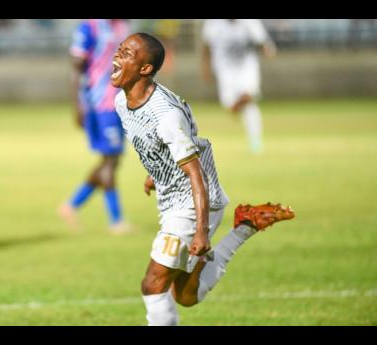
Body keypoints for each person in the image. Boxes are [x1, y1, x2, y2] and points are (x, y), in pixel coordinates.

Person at [111, 33, 294, 325]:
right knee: (185, 295)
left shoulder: (166, 115)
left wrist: (201, 232)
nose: (117, 57)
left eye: (127, 54)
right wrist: (154, 172)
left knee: (153, 283)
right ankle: (246, 226)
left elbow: (195, 172)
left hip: (193, 204)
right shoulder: (123, 102)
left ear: (145, 69)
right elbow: (164, 142)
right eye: (119, 50)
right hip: (173, 200)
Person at [59, 19, 131, 234]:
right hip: (100, 103)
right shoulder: (89, 27)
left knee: (113, 160)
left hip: (120, 102)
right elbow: (76, 67)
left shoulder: (122, 26)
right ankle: (116, 220)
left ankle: (71, 205)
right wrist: (78, 104)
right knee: (110, 160)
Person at [201, 19, 277, 154]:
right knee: (230, 106)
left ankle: (255, 141)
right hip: (225, 70)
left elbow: (263, 41)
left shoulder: (250, 22)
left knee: (249, 100)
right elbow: (206, 47)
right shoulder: (213, 23)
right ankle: (244, 100)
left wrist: (267, 49)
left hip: (246, 68)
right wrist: (205, 69)